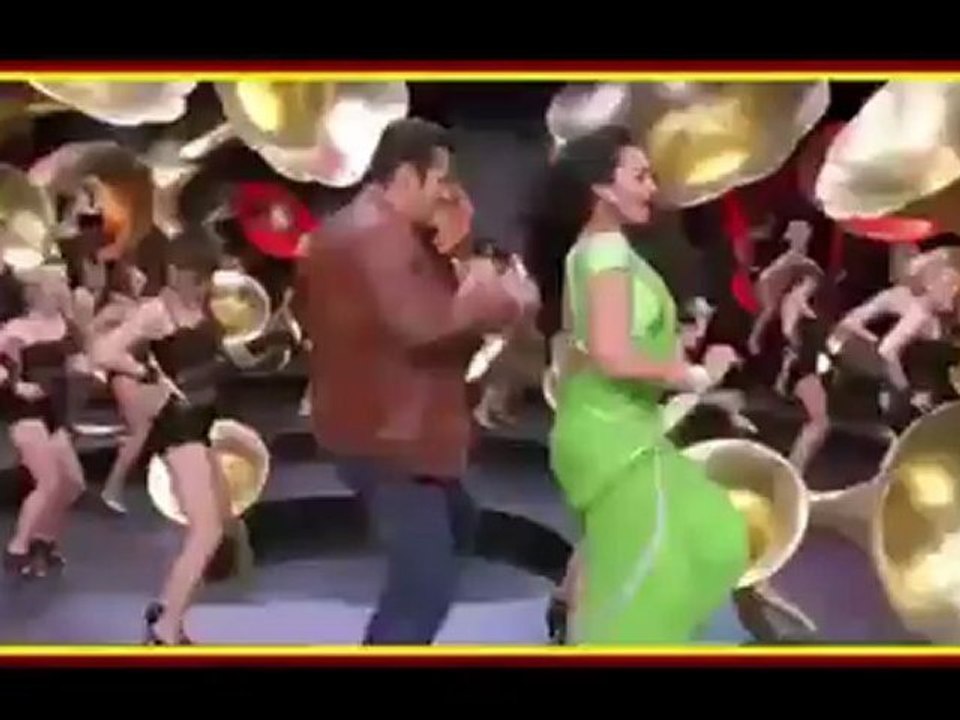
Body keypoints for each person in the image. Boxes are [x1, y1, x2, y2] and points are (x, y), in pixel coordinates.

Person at [295, 118, 536, 645]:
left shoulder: (380, 232)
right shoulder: (376, 236)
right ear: (406, 175)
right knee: (423, 589)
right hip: (391, 439)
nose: (448, 193)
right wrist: (497, 293)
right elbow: (424, 325)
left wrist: (464, 251)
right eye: (441, 181)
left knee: (458, 528)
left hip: (394, 428)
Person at [525, 125, 747, 645]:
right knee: (643, 591)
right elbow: (612, 354)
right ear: (603, 188)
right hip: (615, 438)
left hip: (620, 429)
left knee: (711, 538)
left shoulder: (600, 251)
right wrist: (696, 375)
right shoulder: (604, 253)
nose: (652, 188)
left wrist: (679, 363)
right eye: (640, 176)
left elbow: (590, 351)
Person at [91, 232, 230, 645]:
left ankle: (170, 611)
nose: (201, 285)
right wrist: (145, 373)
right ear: (174, 271)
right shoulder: (157, 311)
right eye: (194, 277)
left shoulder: (203, 306)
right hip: (179, 425)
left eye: (205, 277)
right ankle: (164, 627)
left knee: (219, 524)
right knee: (206, 531)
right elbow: (102, 352)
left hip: (204, 421)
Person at [0, 264, 90, 578]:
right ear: (38, 292)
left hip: (55, 410)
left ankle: (44, 540)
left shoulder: (67, 327)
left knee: (73, 483)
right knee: (49, 481)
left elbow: (80, 363)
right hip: (25, 410)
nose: (62, 290)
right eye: (57, 284)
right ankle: (18, 547)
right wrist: (15, 384)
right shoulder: (16, 329)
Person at [93, 260, 165, 513]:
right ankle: (113, 485)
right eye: (135, 276)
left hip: (145, 373)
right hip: (125, 374)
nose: (141, 279)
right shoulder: (113, 311)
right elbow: (99, 348)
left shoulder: (141, 308)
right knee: (141, 429)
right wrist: (134, 367)